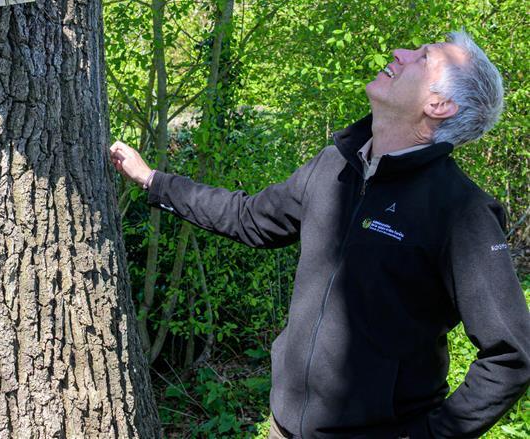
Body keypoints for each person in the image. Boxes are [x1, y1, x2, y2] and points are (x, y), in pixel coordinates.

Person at [110, 31, 530, 438]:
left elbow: (512, 356)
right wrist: (154, 181)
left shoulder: (461, 211)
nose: (400, 52)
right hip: (283, 427)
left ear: (439, 104)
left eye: (422, 57)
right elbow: (248, 217)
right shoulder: (334, 167)